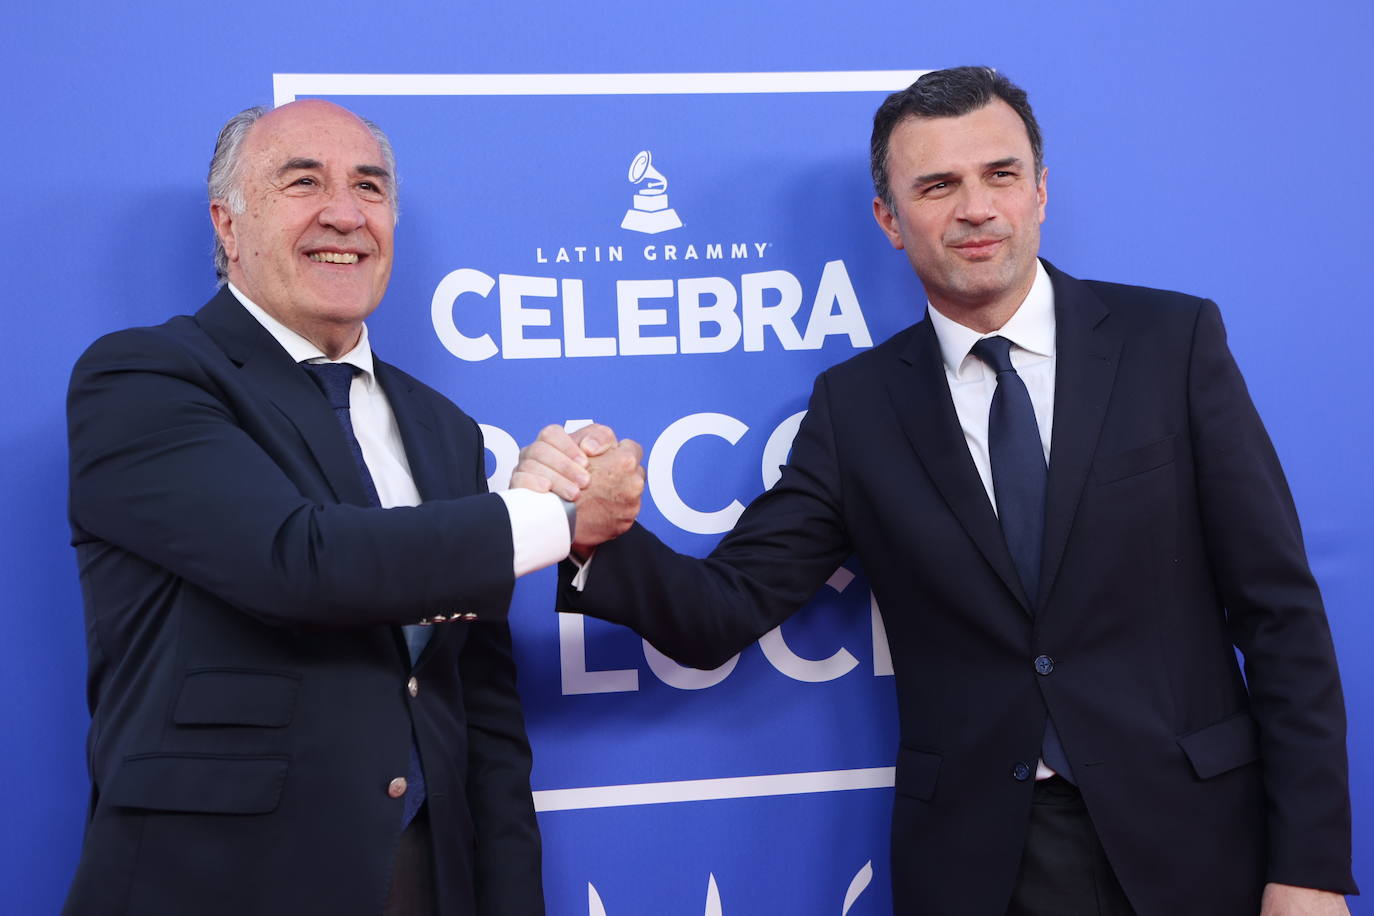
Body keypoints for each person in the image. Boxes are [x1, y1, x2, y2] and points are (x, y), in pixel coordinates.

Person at [526, 67, 1356, 915]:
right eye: (937, 185)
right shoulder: (858, 409)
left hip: (1200, 838)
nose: (976, 208)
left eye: (1000, 174)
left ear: (1041, 190)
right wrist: (590, 535)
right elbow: (724, 609)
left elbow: (1280, 615)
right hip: (984, 864)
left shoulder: (1170, 344)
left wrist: (1313, 866)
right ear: (889, 220)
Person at [62, 99, 640, 916]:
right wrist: (554, 519)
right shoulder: (143, 379)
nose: (345, 212)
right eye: (303, 183)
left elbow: (481, 712)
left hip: (423, 878)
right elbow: (299, 563)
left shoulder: (443, 427)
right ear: (228, 225)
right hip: (217, 883)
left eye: (369, 187)